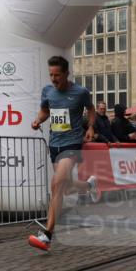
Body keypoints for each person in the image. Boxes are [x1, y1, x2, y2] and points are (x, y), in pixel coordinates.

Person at [28, 56, 98, 252]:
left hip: (73, 143)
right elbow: (45, 111)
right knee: (64, 185)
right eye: (51, 74)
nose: (53, 79)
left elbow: (91, 109)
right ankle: (88, 185)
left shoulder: (80, 92)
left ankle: (47, 235)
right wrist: (37, 120)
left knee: (57, 183)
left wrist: (90, 127)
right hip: (55, 143)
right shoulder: (47, 91)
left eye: (57, 75)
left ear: (67, 73)